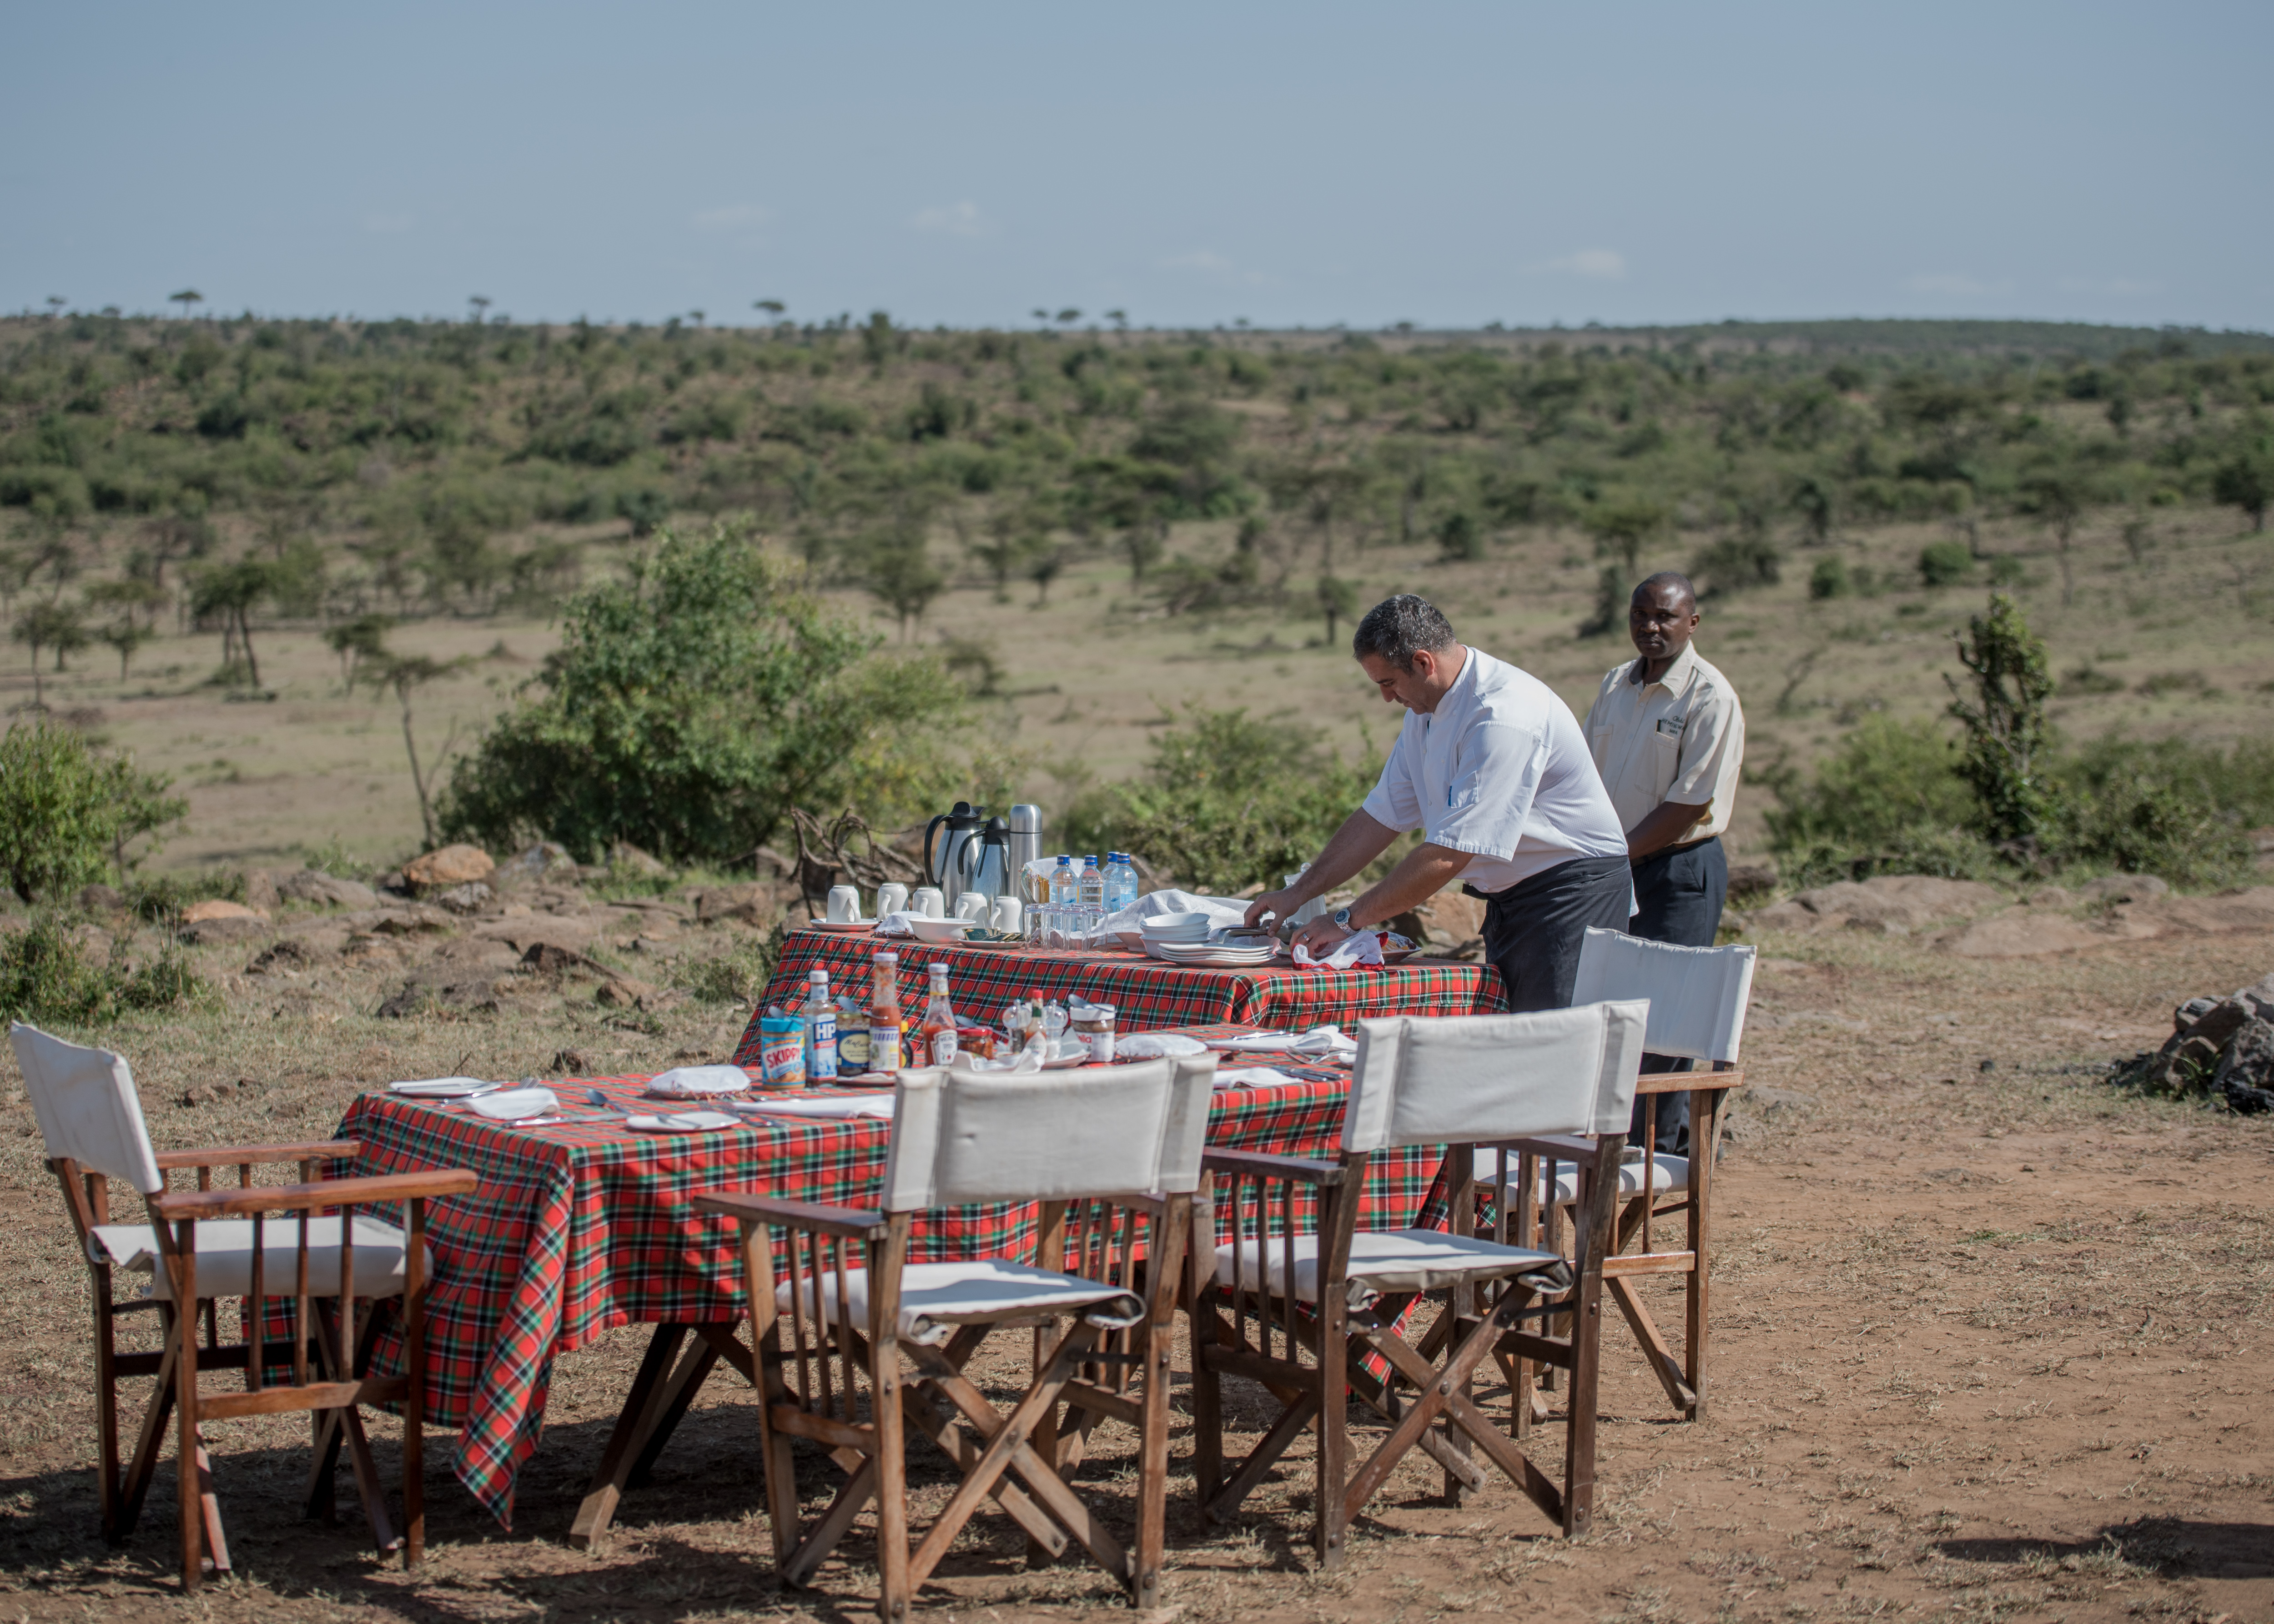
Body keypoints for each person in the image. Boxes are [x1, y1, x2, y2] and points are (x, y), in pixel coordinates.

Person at [1245, 594, 1631, 1013]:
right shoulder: (1425, 711)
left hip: (1572, 896)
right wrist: (1297, 894)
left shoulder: (1502, 715)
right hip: (1512, 899)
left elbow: (1450, 853)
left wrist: (1347, 920)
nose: (1387, 699)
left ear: (1424, 663)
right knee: (1513, 1040)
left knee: (1555, 1046)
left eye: (1388, 683)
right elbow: (1381, 815)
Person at [1581, 570, 1746, 1151]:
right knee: (1615, 999)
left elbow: (1687, 804)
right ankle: (1612, 1139)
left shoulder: (1709, 695)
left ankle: (1664, 1146)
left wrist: (1610, 859)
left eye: (1665, 617)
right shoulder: (1614, 686)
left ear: (1692, 622)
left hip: (1677, 867)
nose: (1650, 627)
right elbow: (1585, 775)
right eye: (1640, 616)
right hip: (1614, 863)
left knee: (1668, 1009)